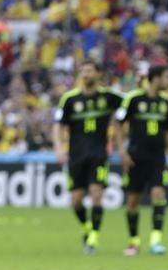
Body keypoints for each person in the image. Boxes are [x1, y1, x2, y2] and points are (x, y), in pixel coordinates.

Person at [52, 60, 124, 254]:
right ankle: (87, 228)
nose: (85, 74)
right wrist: (58, 147)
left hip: (99, 154)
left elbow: (130, 104)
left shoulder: (109, 97)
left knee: (96, 194)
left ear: (98, 74)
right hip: (76, 156)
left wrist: (121, 139)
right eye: (83, 71)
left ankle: (93, 239)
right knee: (76, 200)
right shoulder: (70, 99)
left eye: (90, 71)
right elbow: (58, 125)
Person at [114, 65, 168, 255]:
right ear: (155, 78)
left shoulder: (166, 102)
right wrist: (122, 152)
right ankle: (133, 241)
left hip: (157, 157)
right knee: (133, 200)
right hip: (135, 157)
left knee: (159, 195)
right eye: (166, 76)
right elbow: (117, 123)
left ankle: (156, 241)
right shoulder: (133, 99)